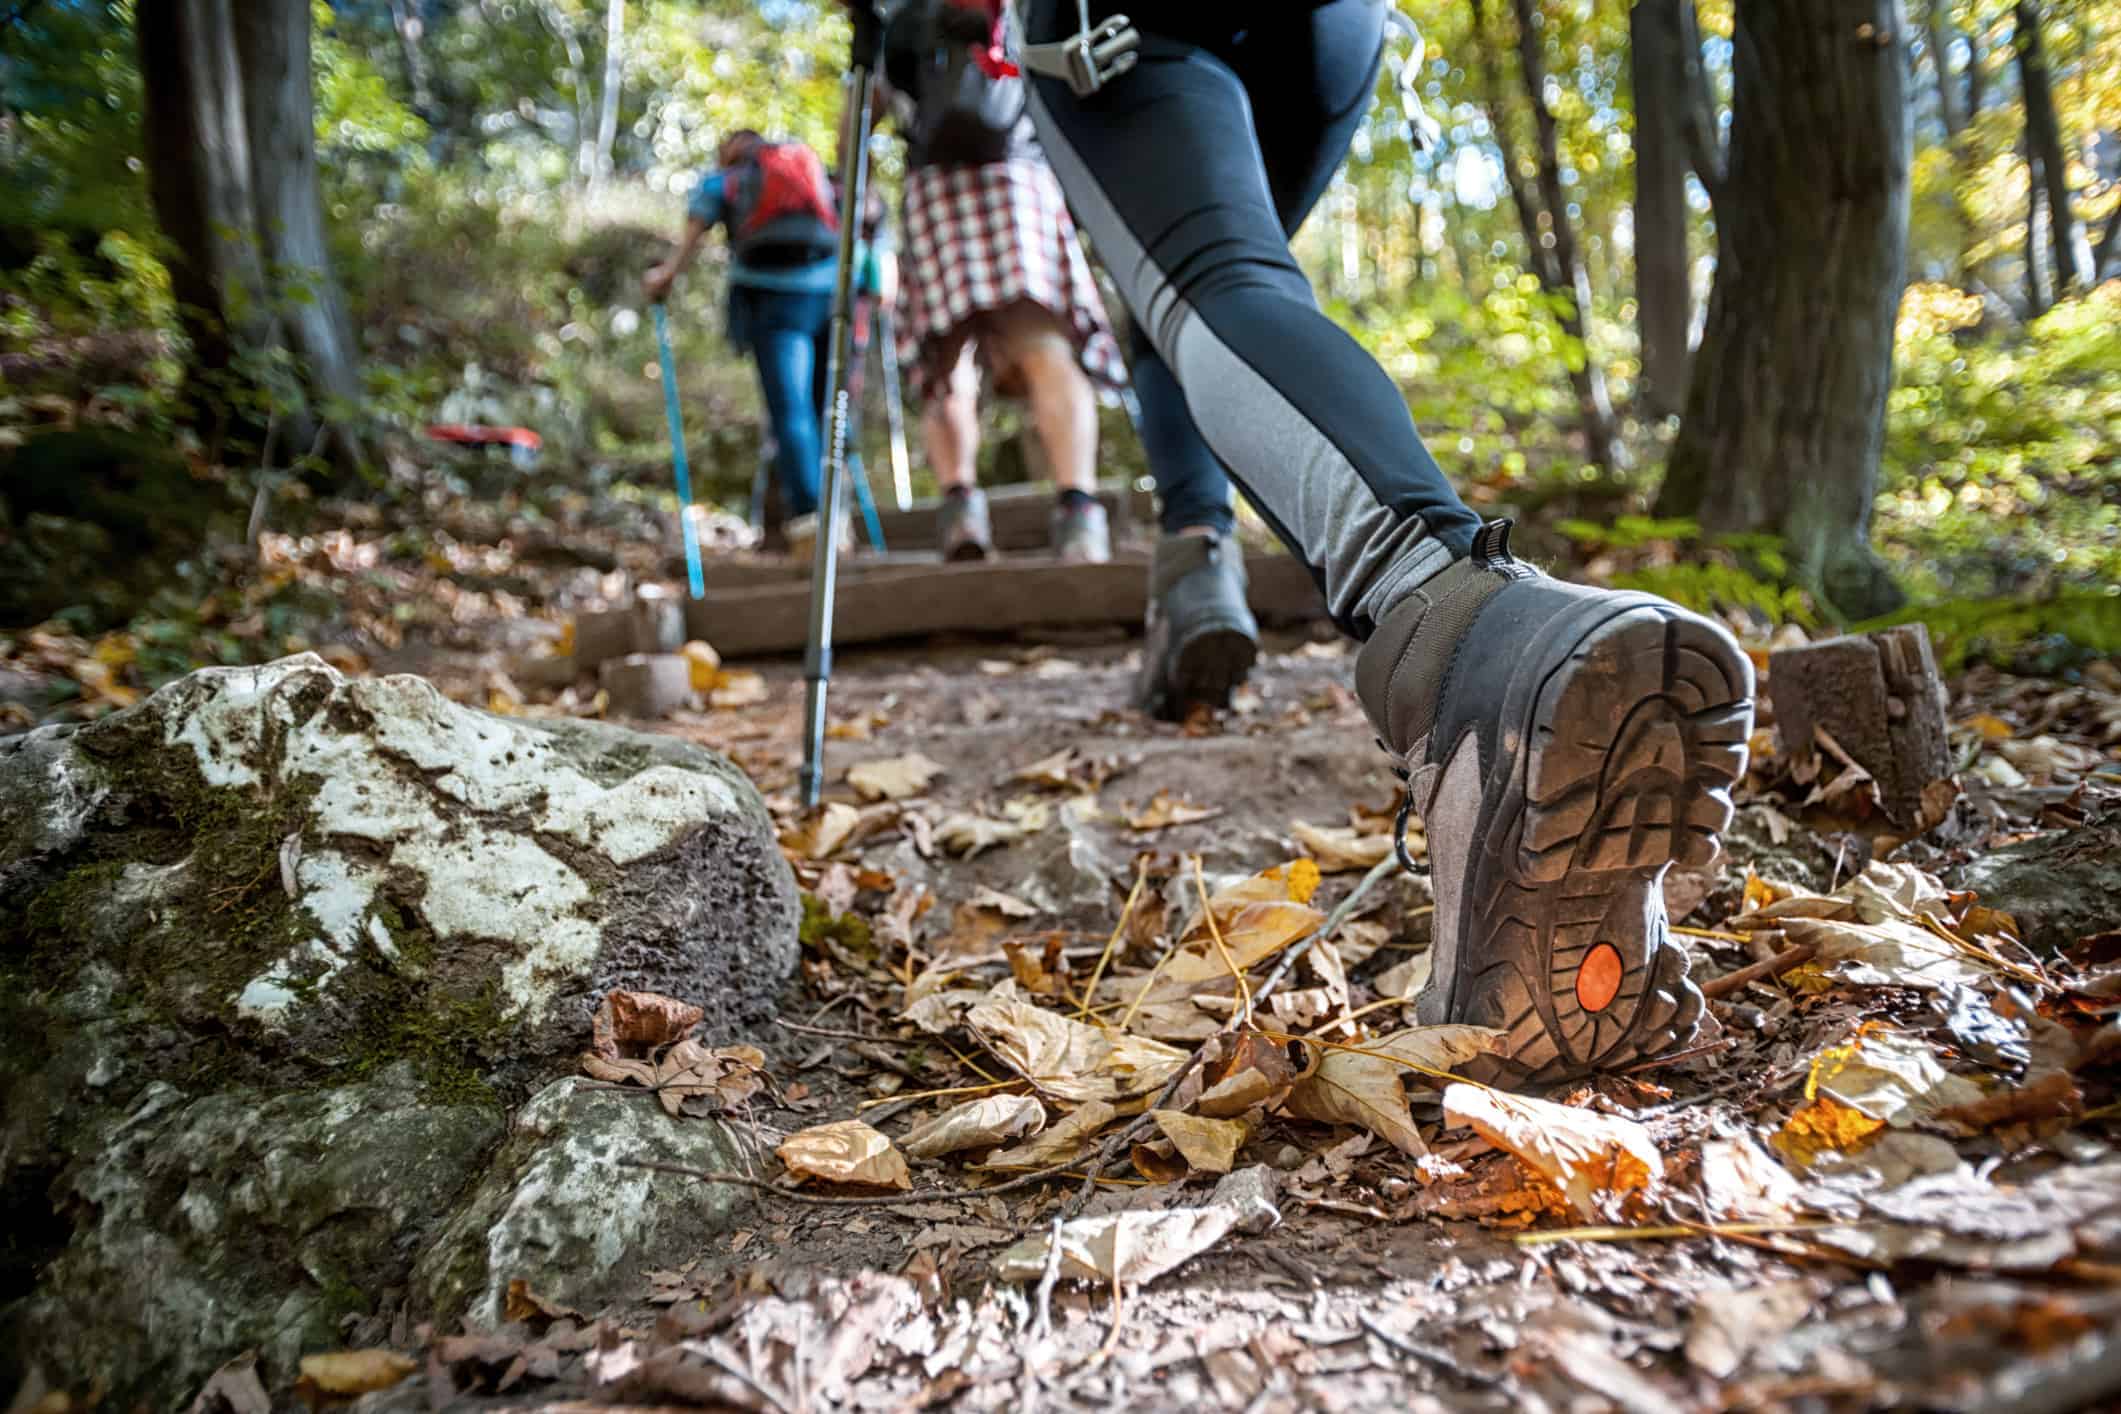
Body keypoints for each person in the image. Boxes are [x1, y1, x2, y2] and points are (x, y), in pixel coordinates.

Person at [998, 0, 1757, 1085]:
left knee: (1208, 284)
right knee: (1203, 285)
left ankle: (1452, 624)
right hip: (1334, 38)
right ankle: (1199, 567)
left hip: (1128, 21)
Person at [880, 0, 1128, 563]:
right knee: (1044, 345)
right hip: (1019, 178)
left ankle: (960, 508)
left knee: (946, 362)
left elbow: (877, 105)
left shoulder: (904, 16)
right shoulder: (1020, 9)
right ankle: (1079, 514)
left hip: (933, 187)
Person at [643, 129, 885, 547]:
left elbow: (695, 228)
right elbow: (854, 223)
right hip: (832, 298)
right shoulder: (810, 174)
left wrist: (666, 276)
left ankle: (813, 521)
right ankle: (838, 514)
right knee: (828, 409)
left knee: (791, 413)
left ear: (729, 152)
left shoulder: (727, 181)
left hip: (772, 300)